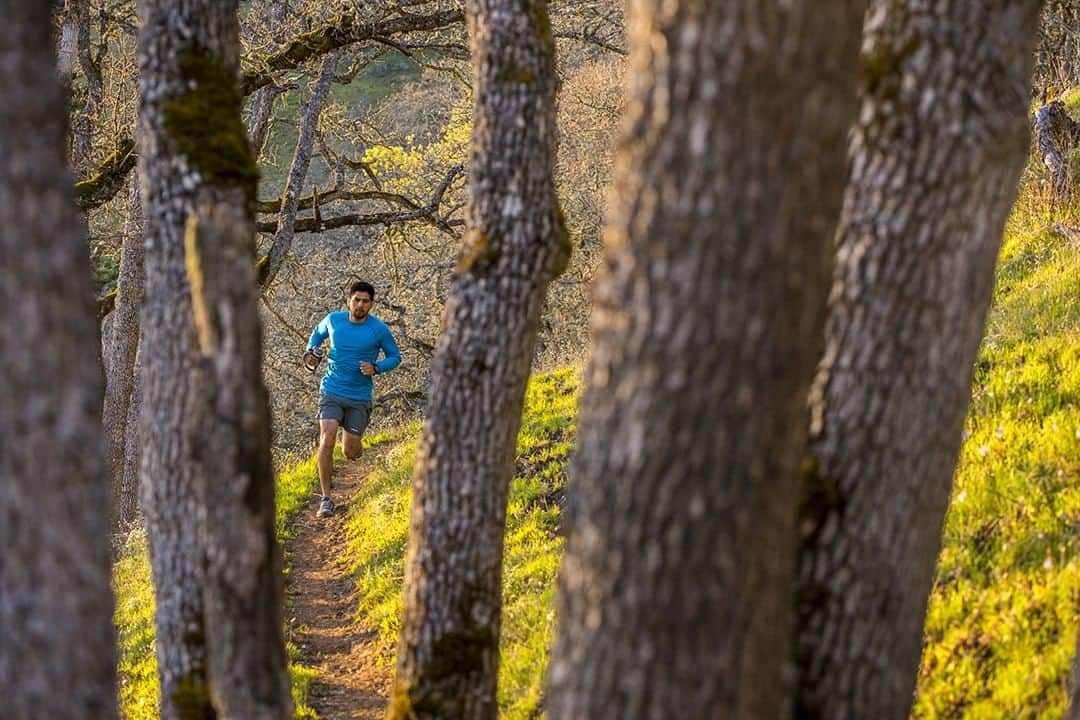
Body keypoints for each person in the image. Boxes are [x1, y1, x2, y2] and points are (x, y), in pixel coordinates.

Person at [304, 281, 401, 517]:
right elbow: (316, 336)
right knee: (326, 440)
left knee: (350, 452)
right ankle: (326, 498)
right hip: (332, 390)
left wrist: (376, 368)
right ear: (349, 300)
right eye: (356, 299)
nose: (360, 305)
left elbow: (395, 356)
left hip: (359, 396)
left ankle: (357, 452)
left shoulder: (378, 330)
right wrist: (311, 352)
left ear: (371, 304)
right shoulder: (333, 320)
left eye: (365, 301)